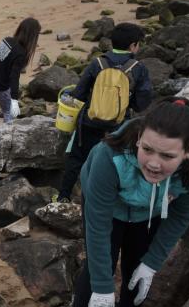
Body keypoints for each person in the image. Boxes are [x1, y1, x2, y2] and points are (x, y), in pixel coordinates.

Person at [71, 97, 189, 307]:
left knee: (137, 268)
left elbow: (180, 217)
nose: (154, 164)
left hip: (149, 211)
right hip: (109, 207)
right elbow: (98, 226)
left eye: (167, 156)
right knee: (98, 266)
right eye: (147, 150)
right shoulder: (108, 157)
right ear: (139, 138)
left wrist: (152, 263)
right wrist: (103, 290)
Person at [57, 23, 151, 202]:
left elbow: (79, 93)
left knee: (76, 159)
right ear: (133, 46)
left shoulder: (97, 63)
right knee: (115, 162)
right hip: (119, 126)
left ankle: (63, 197)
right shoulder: (138, 68)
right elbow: (141, 103)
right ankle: (108, 200)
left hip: (89, 122)